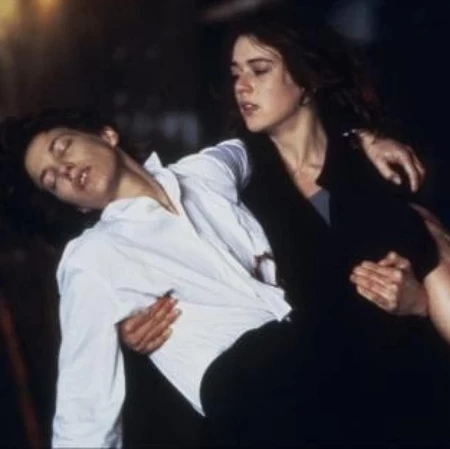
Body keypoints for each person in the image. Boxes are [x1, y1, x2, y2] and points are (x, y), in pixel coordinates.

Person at [1, 105, 445, 448]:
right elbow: (84, 404)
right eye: (51, 180)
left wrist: (361, 138)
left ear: (106, 134)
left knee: (411, 235)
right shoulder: (91, 258)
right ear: (74, 205)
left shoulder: (204, 171)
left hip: (312, 347)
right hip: (249, 387)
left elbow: (280, 137)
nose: (63, 170)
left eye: (62, 147)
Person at [121, 12, 450, 447]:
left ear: (307, 80)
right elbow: (179, 263)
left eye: (259, 70)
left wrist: (420, 303)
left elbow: (433, 256)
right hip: (304, 412)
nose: (242, 87)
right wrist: (132, 324)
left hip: (410, 402)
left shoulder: (378, 164)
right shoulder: (230, 187)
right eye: (236, 74)